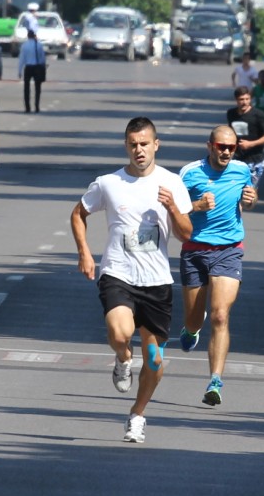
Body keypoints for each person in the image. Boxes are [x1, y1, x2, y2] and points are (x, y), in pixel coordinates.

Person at [70, 117, 193, 444]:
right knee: (119, 332)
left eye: (144, 144)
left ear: (156, 145)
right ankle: (123, 358)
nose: (139, 150)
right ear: (126, 146)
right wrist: (84, 252)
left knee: (154, 359)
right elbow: (78, 213)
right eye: (133, 144)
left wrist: (172, 207)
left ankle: (137, 414)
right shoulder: (109, 183)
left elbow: (186, 234)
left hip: (157, 281)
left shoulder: (171, 183)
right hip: (118, 274)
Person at [178, 125, 258, 406]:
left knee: (220, 315)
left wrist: (252, 200)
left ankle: (215, 381)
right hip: (195, 251)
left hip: (229, 250)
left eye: (231, 147)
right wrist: (196, 206)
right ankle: (190, 330)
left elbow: (249, 198)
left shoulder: (242, 170)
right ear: (209, 146)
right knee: (193, 319)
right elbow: (173, 210)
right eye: (221, 147)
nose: (226, 152)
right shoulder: (190, 173)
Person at [226, 86, 264, 189]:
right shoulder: (231, 114)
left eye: (247, 99)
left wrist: (250, 144)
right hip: (237, 159)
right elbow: (231, 131)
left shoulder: (258, 115)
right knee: (237, 189)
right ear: (236, 100)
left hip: (254, 160)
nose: (245, 102)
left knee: (249, 191)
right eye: (241, 99)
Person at [18, 31, 46, 113]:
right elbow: (42, 58)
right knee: (38, 88)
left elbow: (21, 59)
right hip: (37, 67)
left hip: (28, 67)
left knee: (26, 88)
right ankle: (37, 105)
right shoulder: (39, 45)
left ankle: (27, 107)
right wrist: (43, 67)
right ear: (34, 36)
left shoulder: (24, 45)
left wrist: (19, 70)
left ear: (28, 36)